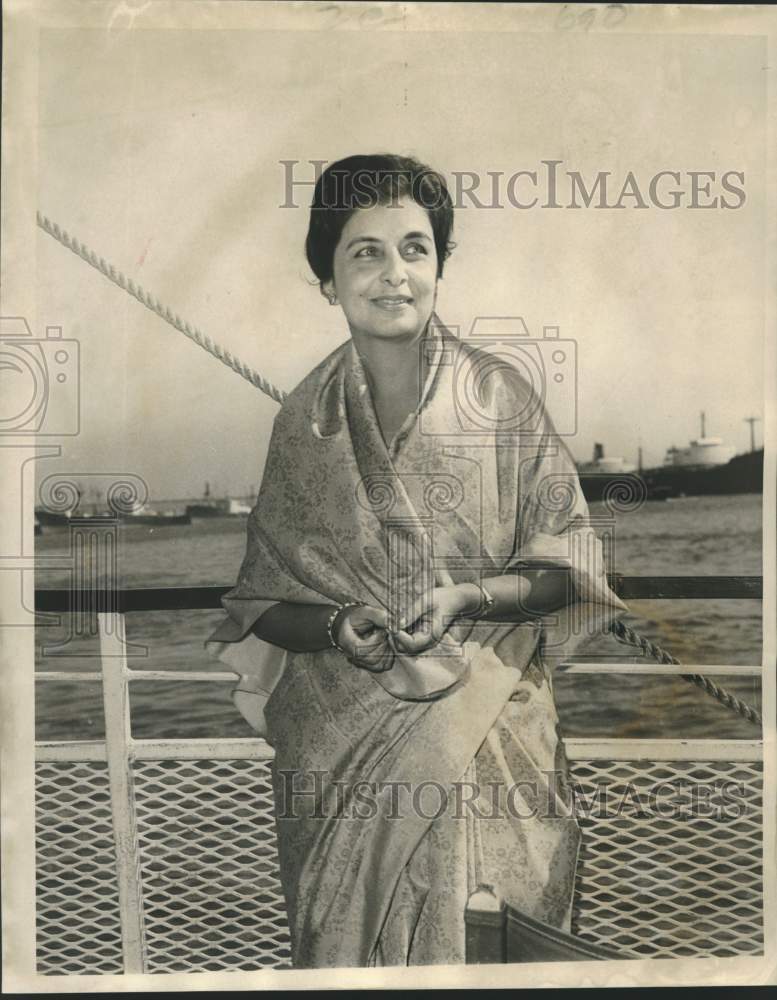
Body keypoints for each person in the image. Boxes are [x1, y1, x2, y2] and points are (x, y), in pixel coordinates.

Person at [206, 153, 627, 968]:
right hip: (337, 755)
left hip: (488, 734)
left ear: (439, 264)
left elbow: (565, 572)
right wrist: (337, 623)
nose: (392, 273)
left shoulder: (498, 396)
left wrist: (467, 598)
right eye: (364, 251)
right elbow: (262, 600)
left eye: (414, 248)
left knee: (498, 953)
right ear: (326, 279)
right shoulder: (304, 421)